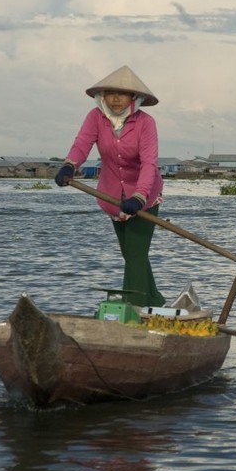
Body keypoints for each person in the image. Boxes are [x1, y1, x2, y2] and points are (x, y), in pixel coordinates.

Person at [55, 65, 166, 308]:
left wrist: (139, 196)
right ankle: (155, 301)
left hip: (145, 196)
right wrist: (69, 165)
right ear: (102, 96)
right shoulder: (95, 118)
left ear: (133, 98)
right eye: (110, 93)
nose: (115, 99)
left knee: (135, 255)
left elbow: (149, 163)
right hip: (113, 195)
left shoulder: (146, 123)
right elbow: (82, 144)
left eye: (122, 93)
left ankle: (134, 308)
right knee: (131, 254)